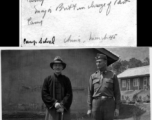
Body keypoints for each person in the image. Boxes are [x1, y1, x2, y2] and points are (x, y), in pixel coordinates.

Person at [87, 53, 121, 120]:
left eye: (99, 62)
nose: (97, 64)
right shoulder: (93, 76)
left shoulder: (112, 75)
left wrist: (117, 108)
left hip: (109, 104)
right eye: (96, 62)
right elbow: (89, 93)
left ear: (105, 62)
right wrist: (89, 108)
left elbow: (117, 93)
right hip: (96, 104)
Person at [41, 56, 73, 120]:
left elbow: (69, 94)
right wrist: (54, 103)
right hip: (52, 109)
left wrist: (62, 105)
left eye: (59, 65)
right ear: (53, 67)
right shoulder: (47, 79)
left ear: (62, 67)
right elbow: (44, 94)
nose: (57, 67)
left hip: (63, 109)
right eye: (55, 65)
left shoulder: (66, 80)